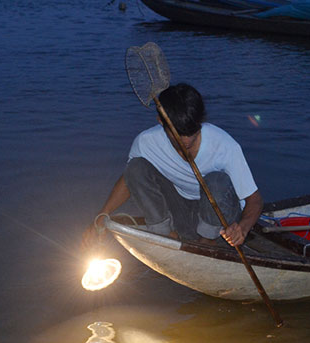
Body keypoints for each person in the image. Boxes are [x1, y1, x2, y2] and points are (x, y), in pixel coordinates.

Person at [82, 83, 263, 249]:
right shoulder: (146, 142)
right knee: (135, 167)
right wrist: (101, 216)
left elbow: (254, 200)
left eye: (191, 132)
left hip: (221, 220)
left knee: (216, 180)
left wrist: (243, 228)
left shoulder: (225, 145)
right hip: (182, 212)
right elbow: (129, 179)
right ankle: (166, 233)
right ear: (161, 122)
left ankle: (207, 241)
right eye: (178, 133)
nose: (186, 141)